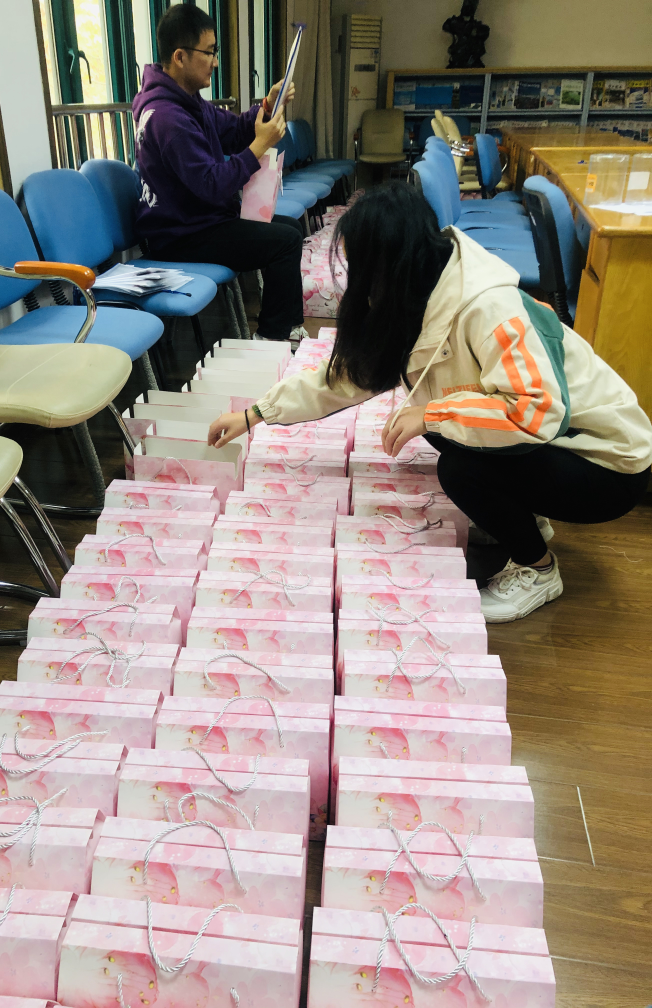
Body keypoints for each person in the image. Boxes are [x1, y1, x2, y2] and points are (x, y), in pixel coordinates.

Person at [208, 183, 652, 623]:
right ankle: (523, 517)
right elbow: (349, 376)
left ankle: (538, 569)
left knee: (457, 465)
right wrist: (256, 413)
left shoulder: (489, 307)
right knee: (438, 429)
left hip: (606, 466)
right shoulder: (417, 290)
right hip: (557, 444)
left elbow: (536, 412)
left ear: (390, 262)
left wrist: (433, 413)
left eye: (362, 267)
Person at [132, 4, 307, 345]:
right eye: (209, 52)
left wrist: (267, 106)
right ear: (180, 56)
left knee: (290, 229)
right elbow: (212, 185)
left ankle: (287, 325)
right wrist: (260, 145)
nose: (215, 61)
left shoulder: (188, 102)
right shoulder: (167, 117)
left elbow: (235, 130)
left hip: (201, 222)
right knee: (284, 241)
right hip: (181, 237)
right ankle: (270, 339)